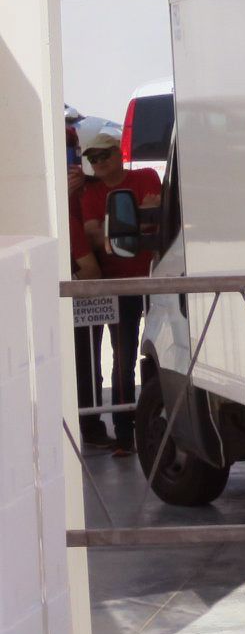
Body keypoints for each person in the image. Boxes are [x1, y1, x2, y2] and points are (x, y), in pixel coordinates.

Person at [77, 125, 160, 457]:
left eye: (102, 155)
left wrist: (117, 230)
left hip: (156, 279)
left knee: (160, 355)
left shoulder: (146, 175)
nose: (96, 162)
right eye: (91, 158)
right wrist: (139, 222)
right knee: (122, 359)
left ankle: (145, 426)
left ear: (117, 155)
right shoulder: (91, 194)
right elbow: (94, 237)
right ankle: (125, 435)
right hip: (118, 285)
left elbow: (159, 218)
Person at [64, 118, 111, 450]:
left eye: (75, 152)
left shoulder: (90, 181)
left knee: (88, 355)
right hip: (73, 272)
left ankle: (91, 427)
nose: (74, 160)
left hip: (95, 275)